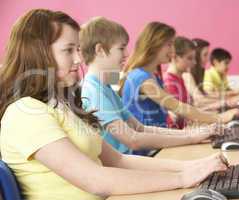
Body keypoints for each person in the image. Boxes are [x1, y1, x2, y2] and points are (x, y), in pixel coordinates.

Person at [0, 9, 227, 200]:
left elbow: (117, 159)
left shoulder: (62, 103)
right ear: (37, 52)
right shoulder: (25, 113)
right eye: (69, 50)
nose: (79, 60)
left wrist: (192, 167)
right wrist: (183, 178)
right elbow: (95, 179)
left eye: (77, 49)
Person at [80, 17, 222, 156]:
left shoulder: (104, 87)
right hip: (133, 159)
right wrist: (191, 137)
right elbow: (132, 140)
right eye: (121, 48)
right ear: (99, 50)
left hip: (138, 156)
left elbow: (140, 128)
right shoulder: (94, 91)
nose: (127, 54)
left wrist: (190, 134)